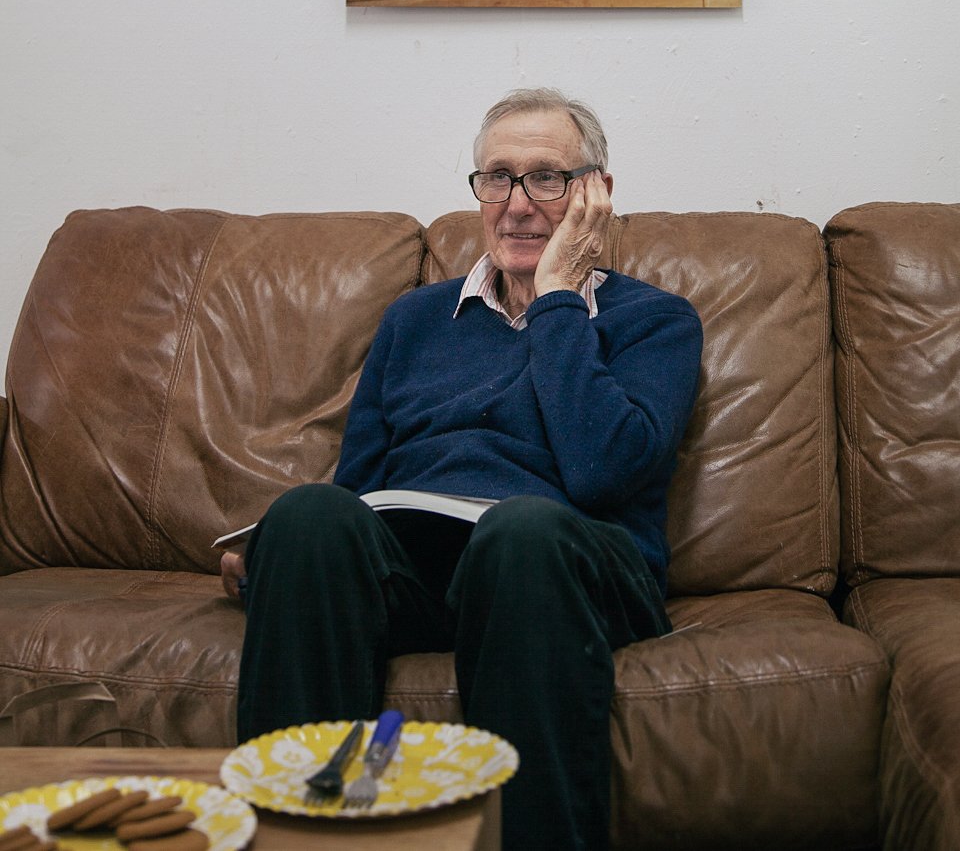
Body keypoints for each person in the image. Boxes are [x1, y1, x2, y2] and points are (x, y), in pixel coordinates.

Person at [222, 87, 702, 851]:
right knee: (308, 515)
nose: (517, 204)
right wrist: (275, 561)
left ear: (596, 196)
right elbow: (358, 493)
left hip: (563, 567)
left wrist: (557, 298)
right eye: (498, 178)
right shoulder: (414, 320)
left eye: (546, 178)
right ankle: (299, 838)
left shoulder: (655, 322)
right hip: (423, 576)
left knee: (522, 534)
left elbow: (603, 472)